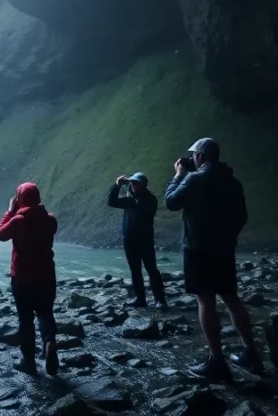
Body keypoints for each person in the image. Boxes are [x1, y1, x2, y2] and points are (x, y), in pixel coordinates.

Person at [165, 137, 264, 381]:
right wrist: (227, 237)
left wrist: (178, 175)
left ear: (200, 156)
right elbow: (242, 216)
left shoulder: (195, 178)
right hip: (224, 249)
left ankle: (216, 361)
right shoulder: (232, 181)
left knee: (205, 301)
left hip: (198, 250)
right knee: (231, 298)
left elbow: (171, 202)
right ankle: (251, 353)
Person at [0, 181, 59, 376]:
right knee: (46, 313)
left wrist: (10, 211)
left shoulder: (18, 221)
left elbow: (0, 234)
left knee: (25, 319)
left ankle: (28, 361)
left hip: (22, 278)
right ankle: (49, 342)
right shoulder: (51, 220)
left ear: (19, 199)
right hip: (47, 276)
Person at [108, 171, 168, 308]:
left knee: (152, 269)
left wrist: (128, 192)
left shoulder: (150, 199)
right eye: (131, 182)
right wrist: (117, 186)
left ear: (144, 185)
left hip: (145, 240)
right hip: (129, 240)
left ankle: (160, 300)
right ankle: (140, 299)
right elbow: (111, 202)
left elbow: (139, 205)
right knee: (135, 270)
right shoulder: (130, 199)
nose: (132, 185)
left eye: (135, 183)